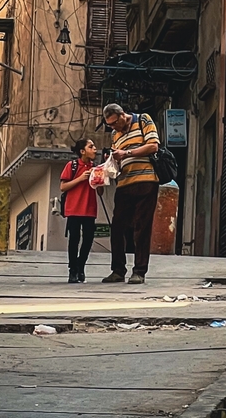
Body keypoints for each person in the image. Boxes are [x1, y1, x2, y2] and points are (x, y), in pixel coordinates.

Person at [101, 103, 160, 285]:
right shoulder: (114, 135)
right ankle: (118, 270)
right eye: (109, 124)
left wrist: (126, 152)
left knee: (142, 227)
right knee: (118, 226)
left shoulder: (143, 119)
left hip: (146, 181)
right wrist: (111, 161)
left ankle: (139, 271)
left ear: (121, 115)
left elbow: (153, 146)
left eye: (113, 123)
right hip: (124, 183)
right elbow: (118, 160)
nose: (112, 127)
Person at [60, 139, 102, 284]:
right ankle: (72, 269)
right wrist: (81, 178)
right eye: (91, 147)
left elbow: (100, 191)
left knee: (88, 240)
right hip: (74, 209)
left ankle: (81, 266)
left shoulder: (96, 168)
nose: (95, 149)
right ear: (82, 151)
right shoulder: (72, 166)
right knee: (74, 240)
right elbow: (63, 187)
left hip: (90, 209)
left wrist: (98, 179)